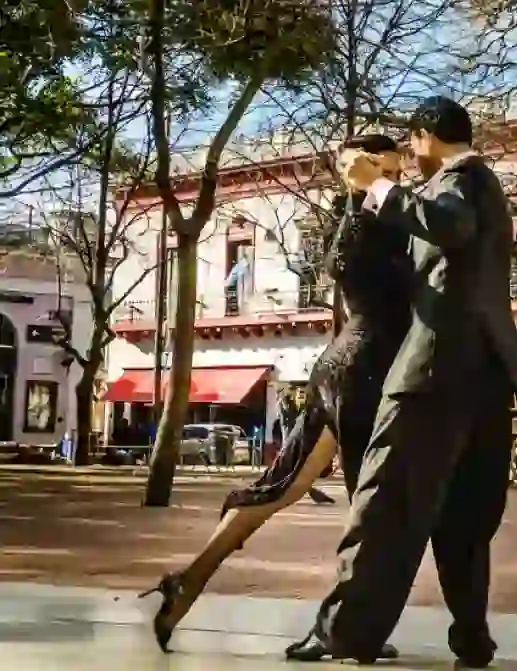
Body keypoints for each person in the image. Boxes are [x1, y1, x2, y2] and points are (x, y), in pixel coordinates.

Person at [139, 135, 415, 660]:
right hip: (369, 370)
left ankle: (190, 578)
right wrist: (370, 193)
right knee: (372, 507)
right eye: (388, 161)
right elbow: (364, 273)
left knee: (280, 487)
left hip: (342, 365)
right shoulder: (377, 217)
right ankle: (344, 629)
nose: (398, 170)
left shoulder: (357, 218)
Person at [287, 96, 517, 668]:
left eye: (413, 147)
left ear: (426, 136)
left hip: (435, 371)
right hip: (491, 374)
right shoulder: (491, 189)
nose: (412, 160)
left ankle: (344, 632)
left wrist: (378, 188)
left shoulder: (458, 182)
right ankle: (472, 637)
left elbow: (448, 225)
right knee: (466, 516)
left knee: (383, 501)